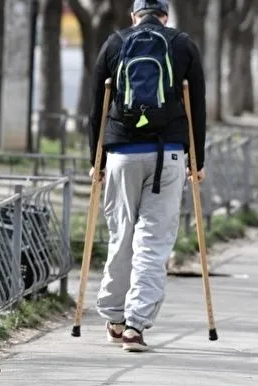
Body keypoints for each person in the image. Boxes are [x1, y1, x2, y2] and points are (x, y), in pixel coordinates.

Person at [88, 0, 206, 352]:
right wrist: (196, 158)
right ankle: (136, 327)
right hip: (168, 154)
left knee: (121, 233)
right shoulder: (182, 44)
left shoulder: (114, 43)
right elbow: (196, 105)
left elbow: (97, 107)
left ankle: (114, 316)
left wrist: (96, 157)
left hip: (121, 152)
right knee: (153, 241)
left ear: (133, 15)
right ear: (165, 16)